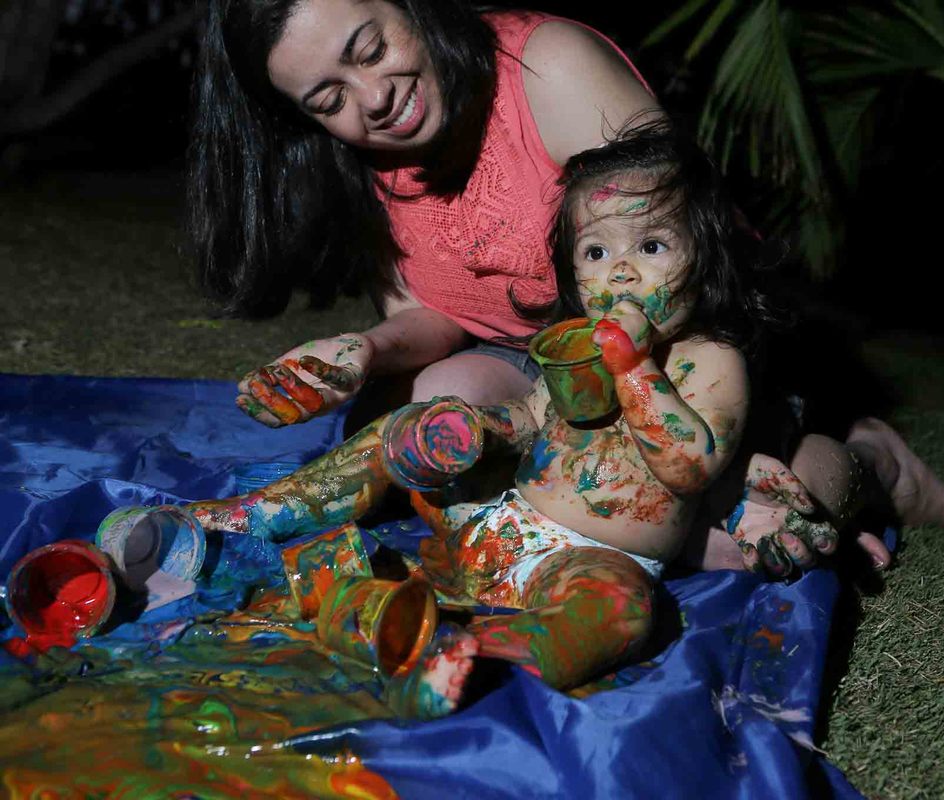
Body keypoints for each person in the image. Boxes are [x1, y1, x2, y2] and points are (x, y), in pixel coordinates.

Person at [189, 0, 944, 580]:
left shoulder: (548, 66)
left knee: (745, 523)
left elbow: (685, 254)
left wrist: (650, 417)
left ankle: (874, 463)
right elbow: (434, 318)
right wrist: (366, 350)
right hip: (553, 370)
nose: (373, 97)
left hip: (696, 349)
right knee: (438, 401)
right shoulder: (362, 161)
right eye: (329, 100)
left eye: (371, 48)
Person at [188, 125, 838, 717]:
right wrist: (474, 431)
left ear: (707, 254)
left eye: (651, 244)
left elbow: (689, 465)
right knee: (414, 424)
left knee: (621, 616)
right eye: (594, 251)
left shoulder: (711, 360)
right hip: (498, 524)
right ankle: (254, 516)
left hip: (597, 559)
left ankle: (470, 654)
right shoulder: (572, 338)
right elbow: (533, 418)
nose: (620, 268)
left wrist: (635, 366)